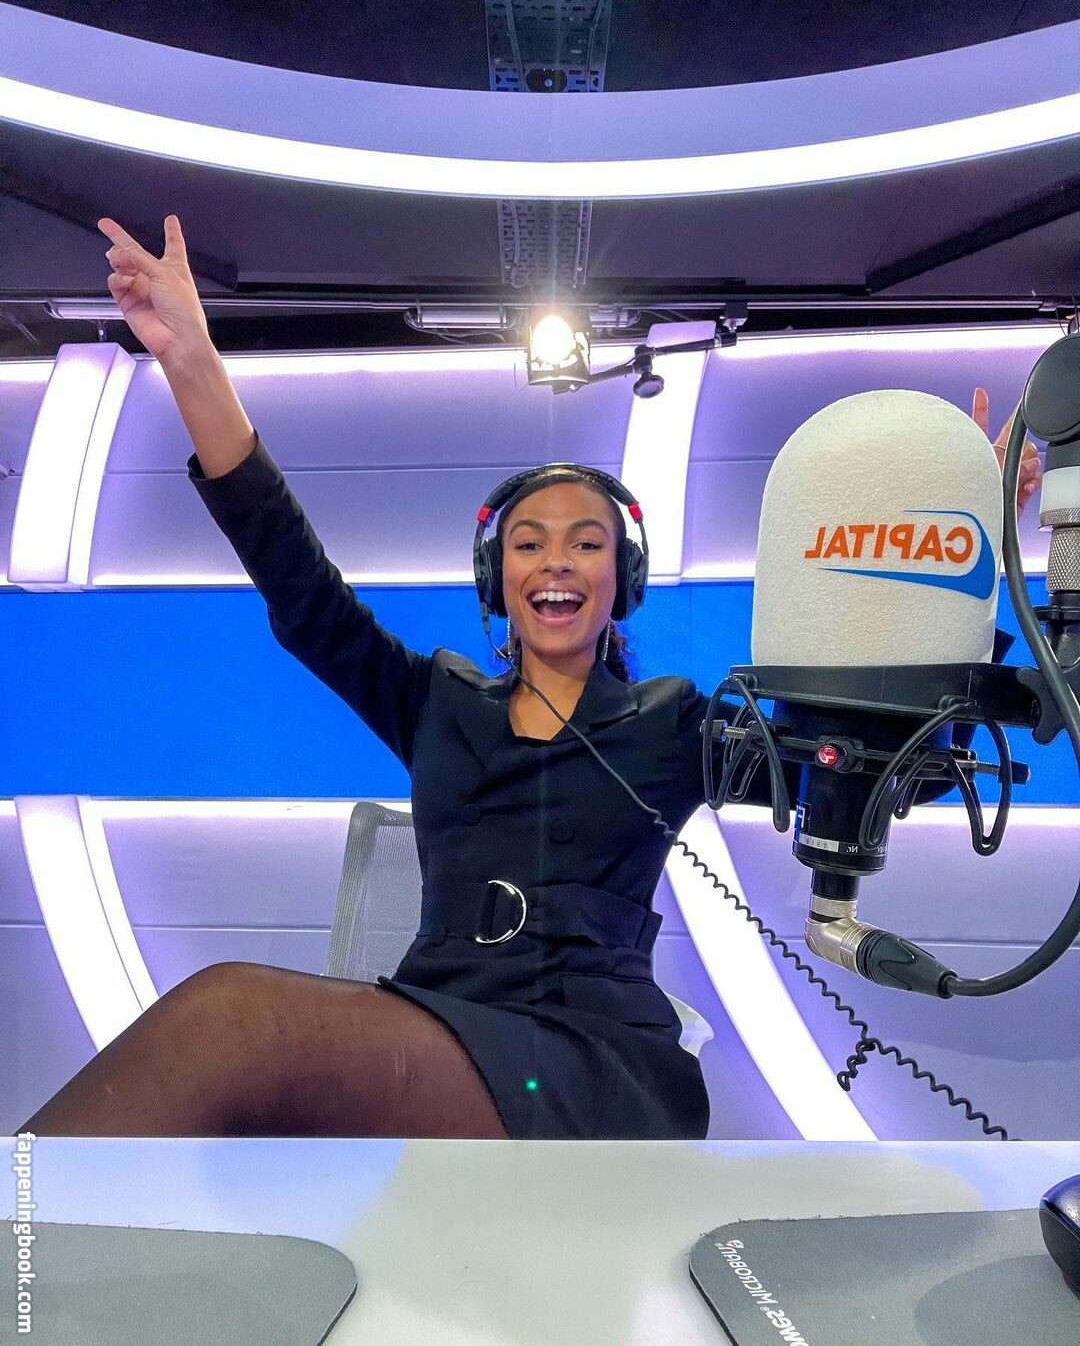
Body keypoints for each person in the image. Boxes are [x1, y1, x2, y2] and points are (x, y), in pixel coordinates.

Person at [17, 216, 1042, 1141]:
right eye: (530, 543)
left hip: (594, 1066)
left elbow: (873, 766)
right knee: (234, 1107)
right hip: (438, 1026)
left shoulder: (675, 722)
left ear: (622, 579)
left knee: (232, 1019)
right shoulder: (432, 701)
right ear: (495, 581)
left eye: (586, 543)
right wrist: (193, 363)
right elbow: (298, 581)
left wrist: (967, 554)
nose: (557, 561)